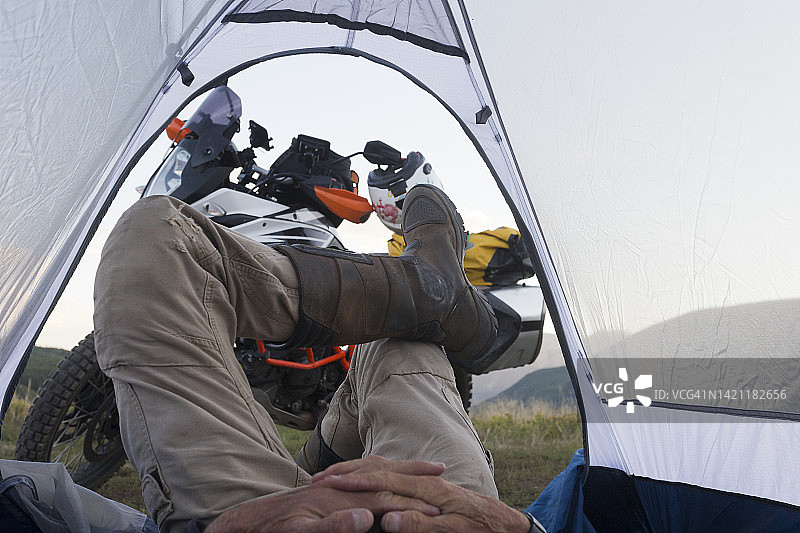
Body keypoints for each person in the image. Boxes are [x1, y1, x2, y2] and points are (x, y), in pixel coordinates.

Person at [94, 184, 542, 532]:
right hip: (437, 512)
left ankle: (426, 295)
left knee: (152, 232)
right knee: (404, 340)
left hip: (247, 514)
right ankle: (431, 295)